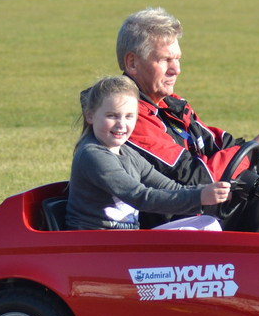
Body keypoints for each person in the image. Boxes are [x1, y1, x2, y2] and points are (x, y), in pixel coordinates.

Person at [117, 7, 259, 232]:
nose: (176, 69)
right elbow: (192, 178)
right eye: (165, 60)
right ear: (132, 63)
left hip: (195, 207)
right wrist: (254, 151)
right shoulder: (127, 116)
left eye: (177, 59)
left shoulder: (168, 105)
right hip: (170, 221)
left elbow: (217, 142)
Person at [65, 76, 230, 230]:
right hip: (96, 246)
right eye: (112, 116)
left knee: (207, 224)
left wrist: (212, 192)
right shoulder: (93, 155)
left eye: (129, 116)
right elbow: (140, 196)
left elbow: (170, 187)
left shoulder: (128, 153)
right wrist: (199, 197)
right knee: (200, 230)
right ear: (90, 116)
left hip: (125, 243)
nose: (121, 125)